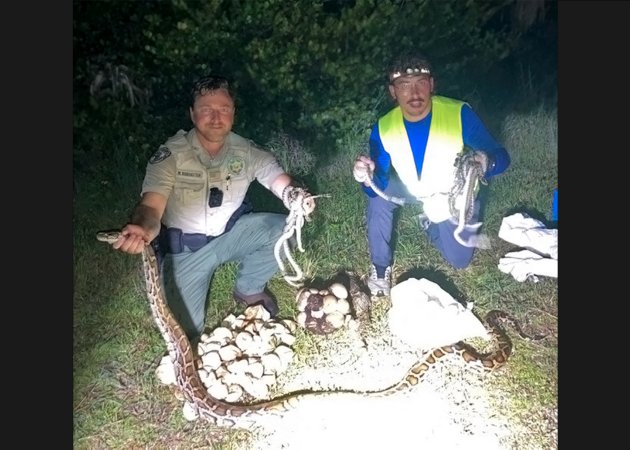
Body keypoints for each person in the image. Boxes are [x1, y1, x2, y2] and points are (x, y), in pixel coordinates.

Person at [103, 74, 315, 345]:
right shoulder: (170, 155)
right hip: (187, 252)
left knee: (280, 227)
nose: (216, 118)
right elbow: (151, 207)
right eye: (206, 110)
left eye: (224, 110)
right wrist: (142, 229)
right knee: (186, 335)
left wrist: (296, 196)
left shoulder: (247, 151)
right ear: (192, 114)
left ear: (233, 113)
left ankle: (249, 290)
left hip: (229, 236)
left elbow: (277, 180)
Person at [352, 52, 510, 297]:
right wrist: (367, 177)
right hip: (412, 188)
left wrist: (485, 162)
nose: (414, 94)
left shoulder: (459, 113)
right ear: (393, 92)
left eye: (421, 84)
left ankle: (429, 222)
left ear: (432, 85)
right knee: (378, 199)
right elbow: (379, 183)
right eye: (404, 86)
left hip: (452, 195)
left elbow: (502, 157)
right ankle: (381, 268)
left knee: (459, 260)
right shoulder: (383, 127)